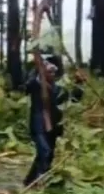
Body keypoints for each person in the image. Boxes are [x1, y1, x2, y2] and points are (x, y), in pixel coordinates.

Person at [23, 55, 85, 187]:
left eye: (53, 72)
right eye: (49, 72)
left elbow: (73, 98)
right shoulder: (36, 85)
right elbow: (27, 86)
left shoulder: (57, 89)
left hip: (52, 127)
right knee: (44, 151)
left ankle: (30, 181)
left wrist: (79, 83)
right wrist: (38, 67)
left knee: (48, 155)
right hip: (38, 126)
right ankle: (40, 181)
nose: (52, 74)